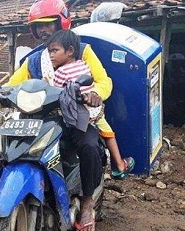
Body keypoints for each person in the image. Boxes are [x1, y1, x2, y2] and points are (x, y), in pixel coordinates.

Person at [4, 0, 110, 231]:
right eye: (37, 27)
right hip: (43, 119)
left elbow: (104, 81)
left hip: (75, 117)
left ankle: (86, 203)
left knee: (89, 146)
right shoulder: (33, 60)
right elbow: (13, 82)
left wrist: (95, 94)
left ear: (61, 22)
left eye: (47, 24)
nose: (42, 30)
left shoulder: (82, 51)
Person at [46, 29, 135, 181]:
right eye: (49, 51)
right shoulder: (83, 64)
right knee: (108, 134)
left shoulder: (59, 72)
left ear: (70, 51)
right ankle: (119, 164)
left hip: (74, 114)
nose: (51, 55)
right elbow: (93, 81)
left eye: (55, 51)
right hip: (94, 110)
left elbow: (54, 92)